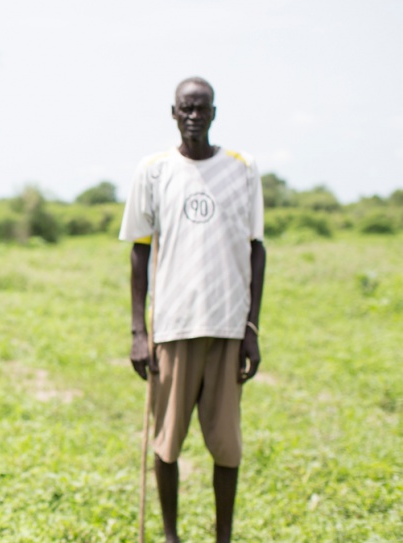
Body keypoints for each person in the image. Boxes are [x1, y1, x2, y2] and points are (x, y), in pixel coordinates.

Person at [119, 76, 266, 543]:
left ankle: (223, 537)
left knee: (227, 446)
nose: (194, 116)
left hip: (226, 327)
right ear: (173, 112)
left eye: (202, 108)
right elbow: (140, 252)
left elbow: (256, 249)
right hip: (173, 328)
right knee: (166, 443)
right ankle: (170, 535)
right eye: (186, 108)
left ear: (214, 113)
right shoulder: (154, 169)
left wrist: (251, 328)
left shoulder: (242, 168)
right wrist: (139, 332)